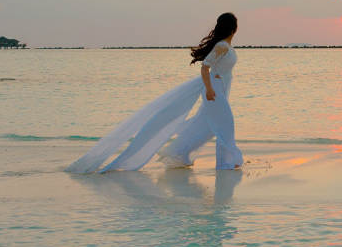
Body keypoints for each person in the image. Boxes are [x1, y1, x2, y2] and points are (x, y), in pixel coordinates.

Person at [66, 13, 244, 173]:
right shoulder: (221, 46)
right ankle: (226, 163)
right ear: (233, 28)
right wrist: (210, 89)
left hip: (220, 89)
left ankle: (178, 153)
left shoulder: (226, 46)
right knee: (225, 125)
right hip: (214, 90)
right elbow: (205, 67)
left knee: (206, 127)